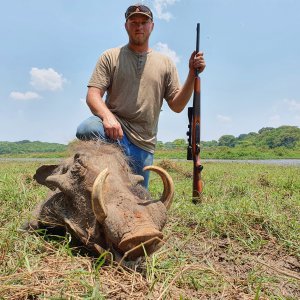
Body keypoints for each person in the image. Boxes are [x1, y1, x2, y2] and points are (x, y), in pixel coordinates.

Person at [76, 4, 206, 188]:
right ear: (126, 26)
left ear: (152, 26)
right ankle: (100, 174)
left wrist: (192, 73)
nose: (139, 26)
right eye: (134, 22)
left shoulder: (165, 63)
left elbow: (177, 106)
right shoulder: (110, 56)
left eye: (144, 22)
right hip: (114, 133)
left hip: (144, 144)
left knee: (138, 198)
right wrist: (108, 118)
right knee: (87, 129)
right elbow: (93, 95)